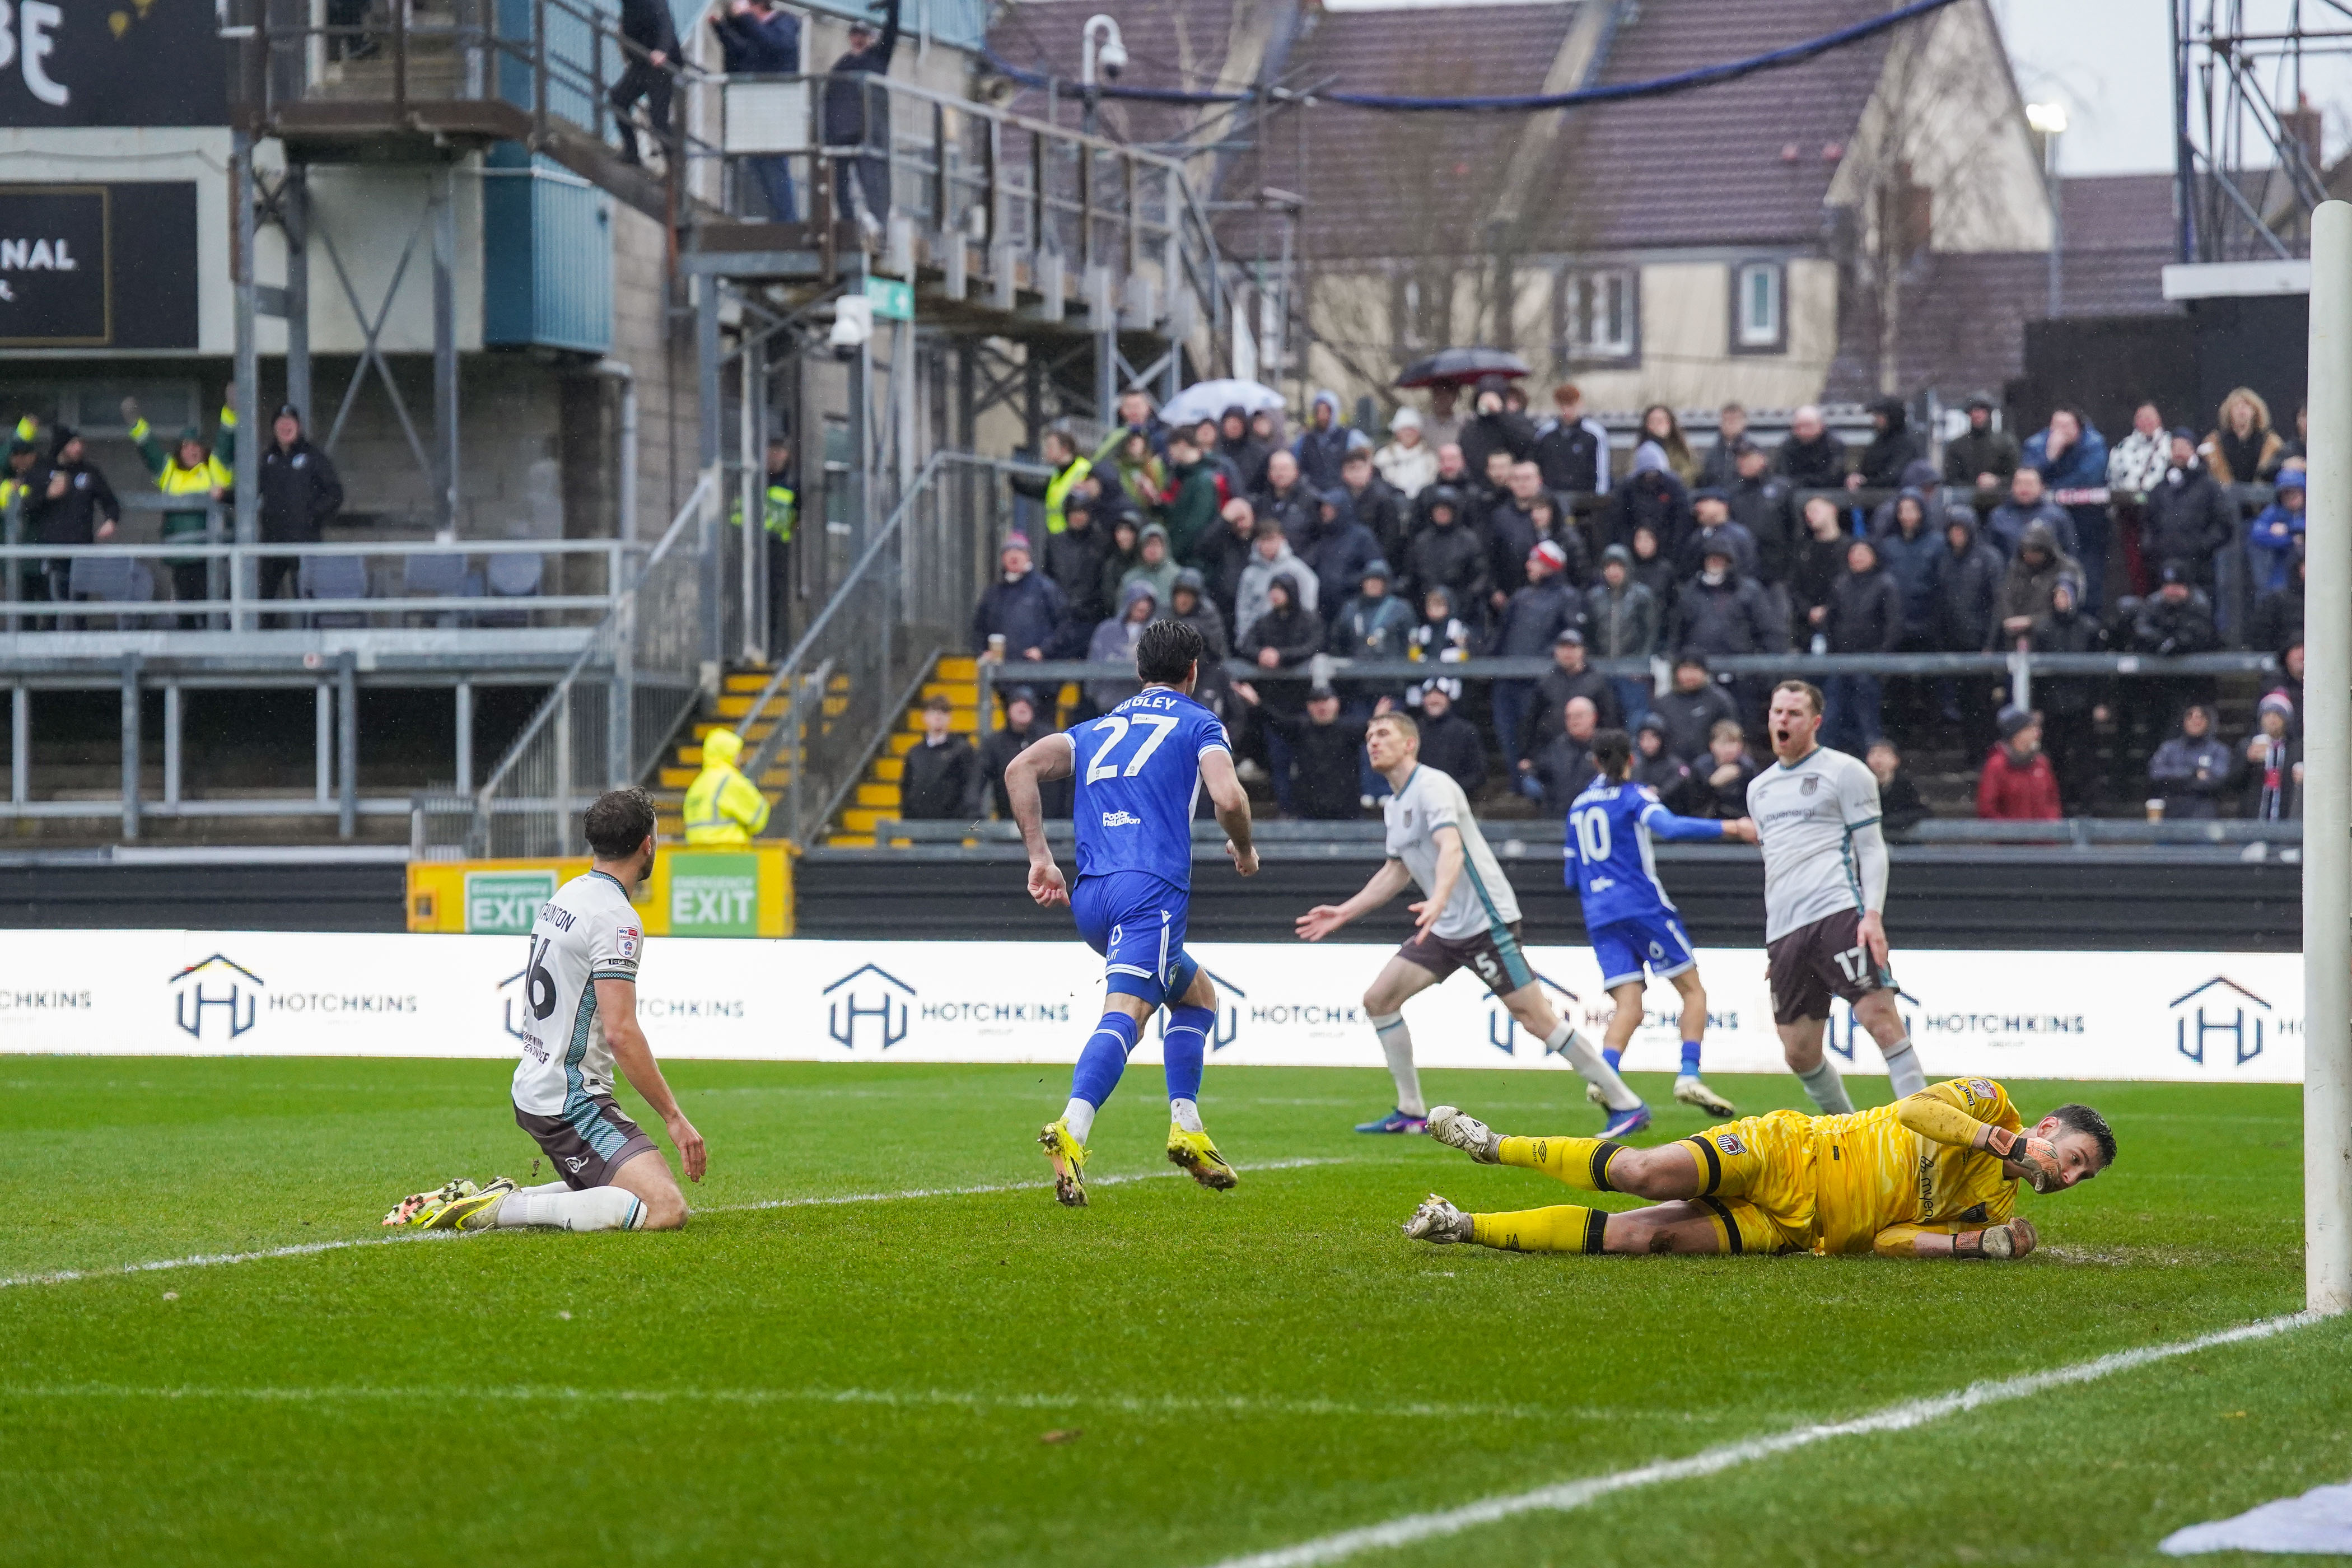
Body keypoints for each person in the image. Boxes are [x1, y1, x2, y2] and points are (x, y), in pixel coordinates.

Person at [1294, 710, 1644, 1135]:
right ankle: (1411, 1112)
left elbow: (1452, 848)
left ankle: (1626, 1104)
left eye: (1383, 734)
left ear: (1410, 744)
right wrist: (1345, 912)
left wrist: (1438, 900)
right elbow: (1397, 870)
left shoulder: (1433, 786)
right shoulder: (1396, 804)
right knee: (1379, 1000)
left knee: (1536, 1019)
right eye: (1369, 736)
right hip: (1444, 927)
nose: (1373, 742)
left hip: (1485, 923)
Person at [1007, 619, 1258, 1207]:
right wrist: (1245, 848)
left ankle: (1188, 1126)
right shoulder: (1200, 722)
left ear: (1140, 670)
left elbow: (1020, 769)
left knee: (1197, 997)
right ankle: (1071, 1128)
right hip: (1149, 891)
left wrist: (1041, 858)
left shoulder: (1094, 729)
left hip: (1092, 897)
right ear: (1192, 672)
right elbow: (1229, 796)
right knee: (1127, 1013)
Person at [385, 789, 704, 1233]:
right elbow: (621, 1033)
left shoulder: (569, 895)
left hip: (540, 1082)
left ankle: (496, 1200)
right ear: (648, 844)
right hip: (569, 1099)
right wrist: (674, 1118)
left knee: (628, 1196)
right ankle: (497, 1211)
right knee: (665, 1209)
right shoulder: (616, 917)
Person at [1408, 1081, 2113, 1259]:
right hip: (1787, 1150)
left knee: (1644, 1238)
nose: (2070, 1178)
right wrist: (2003, 1142)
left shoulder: (1993, 1207)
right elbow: (1914, 1111)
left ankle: (1463, 1225)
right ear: (2047, 1129)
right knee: (1644, 1172)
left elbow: (1888, 1239)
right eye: (2075, 1159)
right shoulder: (1989, 1103)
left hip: (1794, 1229)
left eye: (2081, 1178)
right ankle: (1492, 1144)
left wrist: (1972, 1245)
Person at [1747, 680, 1928, 1110]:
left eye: (1793, 713)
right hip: (1786, 931)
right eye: (1777, 712)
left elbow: (1872, 849)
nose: (1783, 720)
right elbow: (1776, 865)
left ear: (1815, 722)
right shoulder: (1759, 789)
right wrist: (1775, 940)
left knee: (1881, 1019)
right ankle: (1847, 1134)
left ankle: (1930, 1135)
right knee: (1799, 1052)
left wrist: (1873, 915)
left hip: (1838, 913)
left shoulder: (1846, 772)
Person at [1562, 728, 1752, 1120]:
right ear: (1631, 760)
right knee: (1693, 991)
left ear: (1595, 761)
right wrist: (1733, 827)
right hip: (1642, 907)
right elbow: (1671, 828)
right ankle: (1689, 1075)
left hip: (1598, 914)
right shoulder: (1635, 797)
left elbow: (1570, 877)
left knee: (1628, 1005)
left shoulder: (1577, 806)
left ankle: (1606, 1078)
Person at [125, 396, 232, 620]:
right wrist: (136, 423)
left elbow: (226, 440)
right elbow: (150, 450)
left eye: (196, 446)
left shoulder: (215, 468)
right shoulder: (170, 471)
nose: (192, 451)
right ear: (179, 451)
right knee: (185, 611)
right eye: (186, 447)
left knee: (212, 610)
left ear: (203, 450)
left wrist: (231, 409)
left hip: (209, 557)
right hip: (181, 556)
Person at [1489, 541, 1579, 764]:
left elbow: (1570, 636)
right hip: (1507, 682)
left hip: (1539, 683)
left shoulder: (1567, 597)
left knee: (1533, 741)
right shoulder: (1520, 597)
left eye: (1534, 561)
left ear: (1549, 566)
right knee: (1508, 740)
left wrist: (1544, 660)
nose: (1528, 566)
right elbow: (1501, 636)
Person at [709, 0, 801, 218]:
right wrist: (721, 29)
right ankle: (777, 217)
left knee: (775, 163)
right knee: (757, 164)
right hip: (754, 109)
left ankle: (788, 221)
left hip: (777, 109)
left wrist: (746, 18)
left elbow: (774, 44)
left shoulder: (784, 23)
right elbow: (742, 53)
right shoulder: (754, 29)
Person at [20, 424, 121, 618]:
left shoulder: (89, 473)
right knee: (52, 607)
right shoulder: (42, 471)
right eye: (74, 444)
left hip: (81, 551)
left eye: (80, 443)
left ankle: (78, 635)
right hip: (51, 552)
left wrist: (111, 520)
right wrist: (48, 495)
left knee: (78, 607)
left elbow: (110, 501)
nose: (79, 448)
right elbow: (25, 507)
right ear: (62, 446)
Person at [2029, 575, 2108, 813]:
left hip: (2082, 703)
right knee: (2055, 757)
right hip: (2053, 704)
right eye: (2057, 595)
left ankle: (2088, 807)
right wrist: (2036, 706)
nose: (2060, 600)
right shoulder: (2043, 629)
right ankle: (2058, 806)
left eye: (2064, 595)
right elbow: (2036, 674)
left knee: (2086, 758)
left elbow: (2100, 670)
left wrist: (2100, 701)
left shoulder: (2090, 628)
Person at [823, 0, 902, 231]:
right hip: (841, 133)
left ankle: (881, 227)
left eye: (863, 34)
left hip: (868, 132)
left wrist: (893, 6)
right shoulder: (842, 65)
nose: (859, 38)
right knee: (839, 184)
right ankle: (848, 224)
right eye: (856, 34)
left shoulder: (877, 58)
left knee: (874, 182)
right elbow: (828, 97)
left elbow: (892, 31)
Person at [256, 403, 343, 613]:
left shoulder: (313, 457)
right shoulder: (268, 459)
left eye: (290, 423)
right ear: (274, 428)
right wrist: (224, 495)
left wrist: (312, 516)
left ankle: (309, 635)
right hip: (272, 542)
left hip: (305, 542)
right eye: (281, 423)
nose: (285, 427)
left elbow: (335, 494)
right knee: (263, 600)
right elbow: (250, 491)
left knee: (307, 599)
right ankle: (265, 634)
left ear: (299, 427)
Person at [2023, 407, 2110, 609]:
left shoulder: (2094, 443)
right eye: (2056, 425)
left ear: (2079, 427)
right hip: (2050, 521)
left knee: (2088, 574)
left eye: (2066, 426)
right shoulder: (2037, 444)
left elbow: (2089, 479)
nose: (2060, 431)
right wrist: (2050, 457)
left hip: (2087, 519)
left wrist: (2051, 488)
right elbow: (2028, 476)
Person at [1823, 537, 1902, 754]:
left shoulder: (1886, 584)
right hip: (1841, 661)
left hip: (1870, 662)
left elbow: (1893, 625)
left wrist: (1881, 658)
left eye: (1863, 552)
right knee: (1831, 714)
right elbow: (1831, 620)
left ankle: (1872, 760)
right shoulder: (1840, 583)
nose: (1857, 557)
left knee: (1867, 717)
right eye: (1854, 552)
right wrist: (1832, 652)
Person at [1248, 683, 1365, 821]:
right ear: (1308, 706)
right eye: (1316, 702)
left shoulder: (1350, 730)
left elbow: (1372, 729)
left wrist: (1379, 718)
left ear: (1336, 703)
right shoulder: (1300, 728)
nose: (1321, 707)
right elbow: (1276, 721)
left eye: (1326, 701)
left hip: (1345, 808)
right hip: (1309, 809)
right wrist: (1257, 704)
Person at [2143, 428, 2234, 592]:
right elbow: (2148, 524)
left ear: (2193, 450)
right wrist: (2155, 549)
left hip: (2200, 569)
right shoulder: (2160, 489)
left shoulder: (2209, 486)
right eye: (2175, 447)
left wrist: (2201, 546)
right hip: (2165, 567)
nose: (2179, 452)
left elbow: (2224, 525)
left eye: (2184, 446)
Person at [1521, 628, 1618, 768]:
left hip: (1589, 757)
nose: (1568, 652)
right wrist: (1527, 756)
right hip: (1550, 757)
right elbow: (1531, 722)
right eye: (1563, 647)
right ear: (1556, 651)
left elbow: (1610, 721)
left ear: (1583, 651)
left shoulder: (1598, 683)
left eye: (1573, 647)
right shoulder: (1546, 683)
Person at [1584, 544, 1659, 725]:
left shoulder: (1642, 596)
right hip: (1602, 669)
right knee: (1604, 718)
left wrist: (1640, 664)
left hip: (1633, 671)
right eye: (1609, 566)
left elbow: (1651, 633)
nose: (1613, 572)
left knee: (1636, 719)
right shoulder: (1594, 597)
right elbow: (1589, 634)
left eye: (1618, 566)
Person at [971, 533, 1067, 668]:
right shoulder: (992, 594)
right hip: (1001, 672)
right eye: (1009, 551)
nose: (1014, 556)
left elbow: (1064, 625)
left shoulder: (1046, 589)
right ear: (1003, 558)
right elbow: (978, 630)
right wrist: (983, 653)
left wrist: (1043, 651)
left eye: (1019, 551)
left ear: (1028, 556)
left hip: (1037, 671)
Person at [610, 0, 682, 167]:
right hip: (642, 62)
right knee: (618, 98)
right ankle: (631, 153)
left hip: (661, 67)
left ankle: (675, 167)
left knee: (659, 120)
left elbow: (665, 23)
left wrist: (662, 50)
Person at [980, 689, 1070, 819]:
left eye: (1028, 702)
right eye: (1016, 702)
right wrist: (975, 815)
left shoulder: (1053, 738)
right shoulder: (994, 743)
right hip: (1009, 823)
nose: (1022, 706)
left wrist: (1068, 818)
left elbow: (1070, 781)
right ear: (1008, 708)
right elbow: (978, 780)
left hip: (1053, 822)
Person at [1402, 486, 1487, 622]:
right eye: (1438, 510)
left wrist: (1466, 599)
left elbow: (1481, 575)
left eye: (1446, 510)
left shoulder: (1468, 540)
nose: (1442, 513)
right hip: (1427, 610)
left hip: (1462, 610)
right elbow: (1412, 576)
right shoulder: (1421, 541)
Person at [1234, 517, 1319, 645]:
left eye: (1272, 540)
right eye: (1263, 540)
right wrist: (1245, 640)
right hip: (1260, 639)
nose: (1268, 545)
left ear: (1282, 539)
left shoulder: (1298, 570)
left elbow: (1309, 603)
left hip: (1290, 639)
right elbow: (1243, 610)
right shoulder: (1250, 574)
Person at [1726, 440, 1800, 584]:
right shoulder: (1732, 492)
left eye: (1747, 457)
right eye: (1739, 458)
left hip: (1778, 569)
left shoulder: (1783, 488)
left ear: (1762, 459)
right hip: (1744, 569)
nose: (1742, 462)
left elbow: (1795, 528)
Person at [682, 725, 771, 843]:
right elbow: (758, 815)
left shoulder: (698, 783)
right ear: (728, 753)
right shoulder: (730, 781)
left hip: (697, 852)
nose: (741, 759)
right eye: (737, 753)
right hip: (730, 850)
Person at [1996, 521, 2079, 644]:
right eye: (2026, 551)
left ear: (2045, 551)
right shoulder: (2017, 567)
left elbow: (2067, 607)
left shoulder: (2066, 568)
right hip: (2014, 637)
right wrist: (2011, 622)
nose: (2028, 556)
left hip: (2052, 637)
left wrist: (2031, 622)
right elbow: (2006, 598)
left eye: (2034, 551)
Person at [900, 693, 980, 821]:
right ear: (925, 717)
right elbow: (907, 788)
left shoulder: (962, 751)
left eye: (943, 711)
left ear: (949, 717)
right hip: (919, 825)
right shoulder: (915, 753)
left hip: (951, 825)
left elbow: (970, 787)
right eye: (933, 711)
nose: (938, 716)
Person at [2149, 702, 2235, 820]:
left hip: (2204, 814)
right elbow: (2156, 774)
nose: (2195, 721)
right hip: (2171, 814)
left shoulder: (2219, 750)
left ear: (2208, 722)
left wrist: (2176, 782)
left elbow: (2218, 780)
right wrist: (2193, 774)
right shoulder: (2168, 748)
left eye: (2200, 717)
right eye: (2190, 717)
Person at [1085, 581, 1160, 715]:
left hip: (1143, 704)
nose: (1143, 606)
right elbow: (1095, 661)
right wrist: (1093, 694)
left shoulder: (1157, 631)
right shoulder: (1107, 630)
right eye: (1139, 601)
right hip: (1108, 701)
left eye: (1147, 602)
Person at [1607, 441, 1693, 557]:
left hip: (1667, 552)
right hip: (1632, 552)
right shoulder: (1626, 489)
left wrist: (1660, 542)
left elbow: (1681, 523)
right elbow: (1619, 522)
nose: (1651, 478)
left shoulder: (1674, 488)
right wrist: (1635, 541)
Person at [1650, 654, 1737, 766]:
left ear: (1705, 672)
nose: (1690, 675)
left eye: (1695, 669)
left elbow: (1732, 736)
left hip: (1711, 768)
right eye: (1685, 668)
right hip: (1671, 770)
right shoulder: (1663, 704)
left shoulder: (1720, 701)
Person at [1976, 708, 2060, 821]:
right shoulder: (1996, 766)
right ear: (2017, 734)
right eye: (2030, 729)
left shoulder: (2042, 763)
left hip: (2042, 832)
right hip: (2009, 832)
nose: (2037, 733)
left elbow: (2052, 801)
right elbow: (1987, 808)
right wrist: (2011, 829)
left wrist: (2050, 825)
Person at [1010, 426, 1094, 538]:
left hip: (1075, 537)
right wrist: (1018, 485)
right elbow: (1044, 493)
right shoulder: (1057, 473)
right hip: (1057, 536)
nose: (1046, 451)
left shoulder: (1083, 470)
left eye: (1050, 446)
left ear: (1064, 448)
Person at [1407, 678, 1486, 796]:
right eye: (1429, 695)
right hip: (1419, 796)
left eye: (1439, 695)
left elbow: (1479, 772)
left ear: (1449, 698)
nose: (1434, 700)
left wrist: (1450, 790)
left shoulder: (1466, 730)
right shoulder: (1414, 731)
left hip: (1457, 796)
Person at [1525, 694, 1601, 814]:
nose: (1574, 721)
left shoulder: (1606, 746)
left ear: (1594, 717)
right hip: (1559, 816)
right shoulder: (1556, 748)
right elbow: (1539, 772)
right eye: (1569, 717)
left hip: (1596, 815)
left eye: (1579, 716)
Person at [1159, 429, 1225, 565]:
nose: (1170, 454)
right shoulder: (1186, 476)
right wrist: (1157, 505)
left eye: (1171, 449)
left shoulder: (1202, 480)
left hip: (1195, 558)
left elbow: (1195, 524)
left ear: (1182, 445)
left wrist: (1173, 553)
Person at [1984, 466, 2075, 562]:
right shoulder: (1998, 516)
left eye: (2029, 484)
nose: (2024, 488)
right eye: (2019, 483)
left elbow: (2069, 552)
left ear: (2041, 486)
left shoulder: (2057, 516)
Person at [1533, 383, 1609, 496]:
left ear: (1580, 404)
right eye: (1562, 405)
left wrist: (1599, 498)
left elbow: (1602, 471)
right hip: (1552, 498)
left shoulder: (1595, 433)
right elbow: (1538, 468)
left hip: (1585, 498)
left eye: (1571, 405)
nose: (1567, 410)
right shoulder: (1545, 433)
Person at [1457, 374, 1536, 478]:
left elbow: (1527, 442)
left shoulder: (1516, 421)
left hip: (1511, 480)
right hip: (1480, 480)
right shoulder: (1472, 427)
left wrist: (1500, 413)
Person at [2200, 386, 2283, 484]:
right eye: (2236, 406)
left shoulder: (2270, 443)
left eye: (2246, 405)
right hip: (2224, 492)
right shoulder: (2215, 443)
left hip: (2260, 493)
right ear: (2229, 412)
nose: (2241, 410)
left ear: (2255, 411)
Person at [2246, 470, 2306, 598]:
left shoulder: (2311, 511)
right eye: (2286, 493)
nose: (2291, 497)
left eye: (2295, 492)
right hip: (2283, 578)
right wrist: (2291, 539)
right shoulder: (2275, 512)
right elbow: (2258, 534)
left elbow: (2313, 528)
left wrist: (2288, 529)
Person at [2243, 692, 2302, 820]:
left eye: (2278, 715)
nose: (2272, 720)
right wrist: (2247, 760)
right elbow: (2233, 782)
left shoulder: (2296, 749)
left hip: (2284, 815)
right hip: (2254, 817)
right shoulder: (2247, 745)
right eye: (2268, 715)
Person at [1944, 394, 2019, 490]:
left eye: (1982, 411)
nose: (1978, 415)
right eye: (1974, 411)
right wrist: (1974, 485)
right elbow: (1951, 479)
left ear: (1989, 413)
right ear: (1969, 414)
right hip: (1966, 496)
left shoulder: (2006, 443)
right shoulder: (1957, 446)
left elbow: (2015, 476)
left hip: (2000, 495)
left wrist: (1997, 481)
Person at [1850, 395, 1924, 490]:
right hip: (1872, 493)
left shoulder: (1905, 443)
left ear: (1891, 417)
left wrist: (1866, 482)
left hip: (1894, 494)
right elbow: (1867, 467)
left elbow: (1894, 477)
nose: (1875, 420)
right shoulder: (1880, 440)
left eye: (1879, 416)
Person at [1696, 718, 1757, 819]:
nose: (1729, 749)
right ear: (1712, 746)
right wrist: (1711, 785)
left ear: (1741, 746)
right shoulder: (1701, 767)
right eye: (1723, 743)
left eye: (1733, 743)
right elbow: (1695, 803)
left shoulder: (1748, 767)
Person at [1773, 404, 1847, 487]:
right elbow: (1783, 475)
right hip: (1795, 490)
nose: (1803, 431)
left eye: (1808, 426)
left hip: (1829, 489)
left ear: (1821, 425)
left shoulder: (1833, 444)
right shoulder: (1788, 445)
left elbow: (1834, 475)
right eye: (1798, 427)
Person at [1865, 740, 1930, 834]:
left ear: (1896, 760)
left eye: (1884, 753)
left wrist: (1890, 821)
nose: (1878, 758)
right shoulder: (1861, 785)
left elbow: (1921, 811)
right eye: (1873, 753)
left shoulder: (1907, 785)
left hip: (1903, 835)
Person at [1375, 406, 1439, 499]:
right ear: (1397, 431)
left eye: (1412, 429)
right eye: (1404, 429)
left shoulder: (1430, 457)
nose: (1409, 433)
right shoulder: (1384, 455)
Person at [1294, 389, 1351, 490]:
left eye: (1326, 411)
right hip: (1312, 492)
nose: (1322, 416)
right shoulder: (1305, 439)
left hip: (1341, 491)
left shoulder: (1349, 437)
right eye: (1318, 412)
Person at [1636, 404, 1698, 486]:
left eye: (1662, 421)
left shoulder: (1681, 451)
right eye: (1654, 421)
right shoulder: (1641, 453)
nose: (1659, 425)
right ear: (1647, 425)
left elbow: (1690, 476)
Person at [1118, 522, 1178, 606]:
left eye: (1156, 544)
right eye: (1148, 544)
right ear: (1141, 548)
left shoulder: (1178, 578)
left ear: (1165, 546)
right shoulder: (1130, 579)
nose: (1152, 549)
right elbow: (1123, 611)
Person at [1695, 402, 1749, 491]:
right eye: (1727, 420)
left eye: (1735, 420)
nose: (1731, 424)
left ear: (1744, 422)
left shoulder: (1753, 453)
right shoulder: (1711, 455)